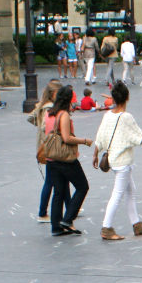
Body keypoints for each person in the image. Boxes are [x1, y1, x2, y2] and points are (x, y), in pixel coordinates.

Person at [92, 81, 142, 241]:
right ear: (127, 97)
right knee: (117, 194)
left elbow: (100, 137)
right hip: (123, 162)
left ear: (113, 98)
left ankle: (137, 224)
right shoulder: (126, 117)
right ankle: (106, 228)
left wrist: (95, 154)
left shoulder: (108, 115)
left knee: (130, 190)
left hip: (113, 159)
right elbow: (140, 136)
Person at [42, 84, 92, 237]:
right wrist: (84, 141)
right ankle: (68, 219)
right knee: (82, 186)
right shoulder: (63, 115)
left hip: (52, 158)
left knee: (59, 192)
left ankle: (56, 227)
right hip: (64, 158)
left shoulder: (49, 113)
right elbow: (66, 138)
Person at [30, 79, 63, 223]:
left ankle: (69, 207)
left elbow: (31, 118)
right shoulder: (48, 107)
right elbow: (45, 126)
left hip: (46, 145)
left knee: (56, 179)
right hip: (50, 146)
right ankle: (42, 213)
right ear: (53, 93)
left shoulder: (42, 106)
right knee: (52, 180)